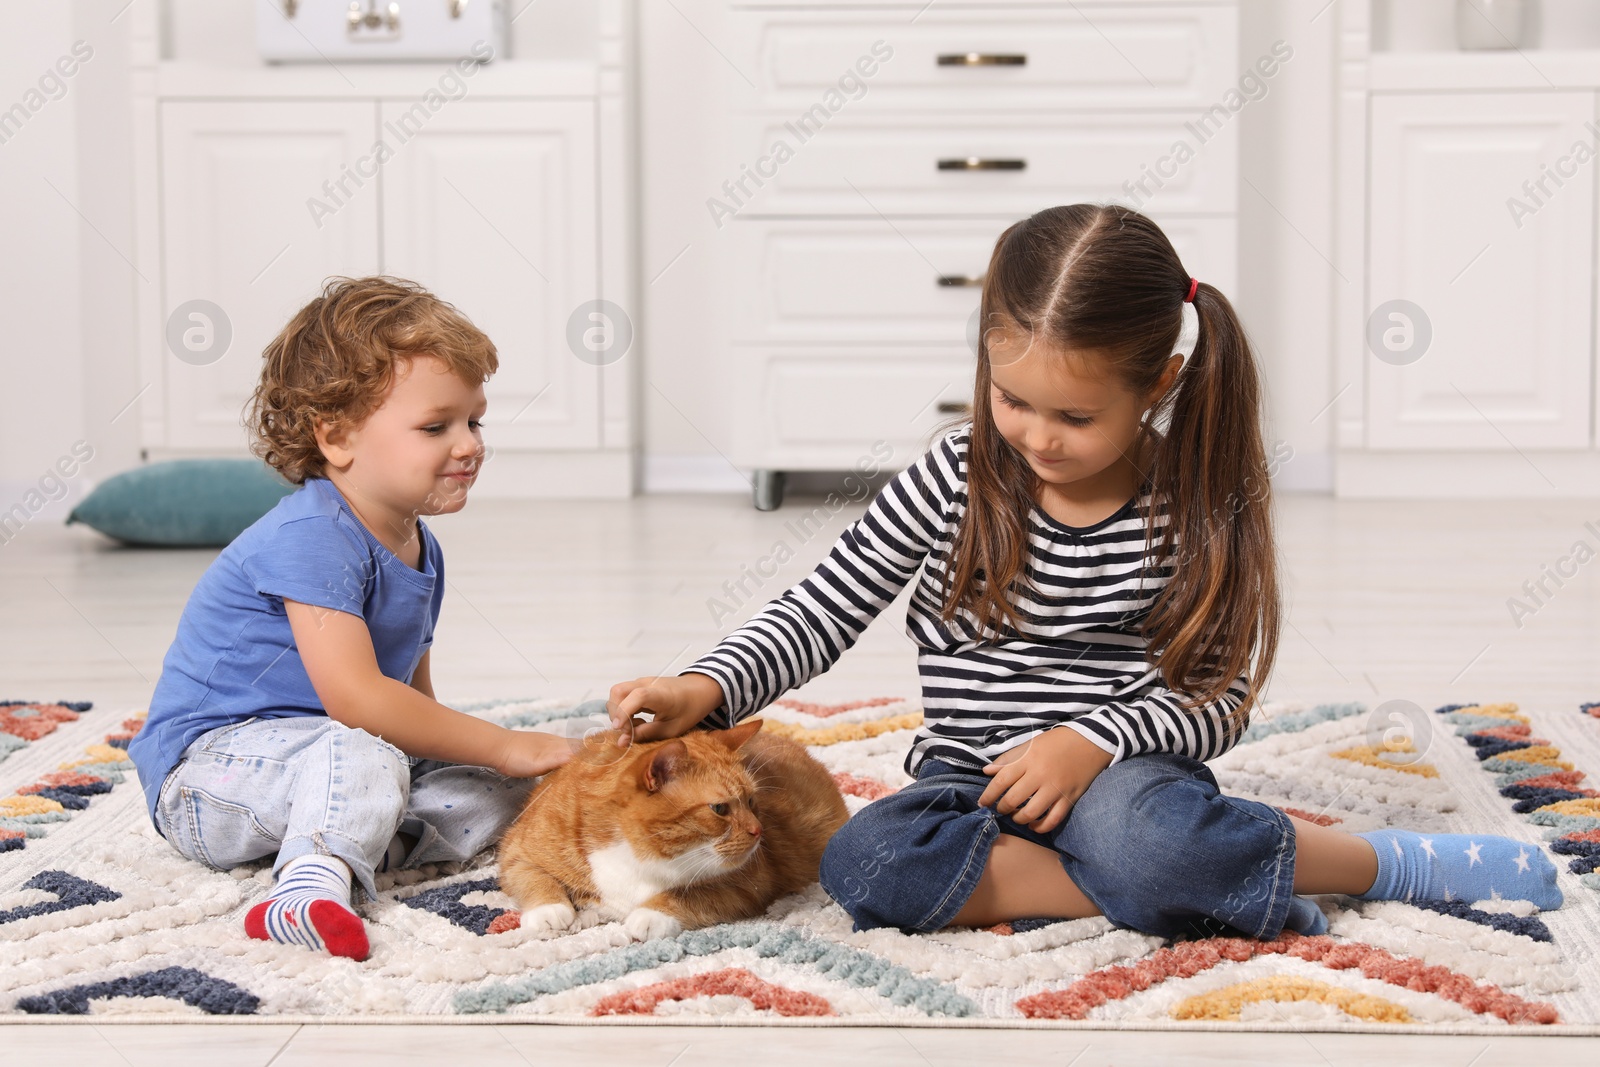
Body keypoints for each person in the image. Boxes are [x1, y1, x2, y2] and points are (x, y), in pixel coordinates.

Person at [603, 204, 1562, 939]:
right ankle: (1212, 889)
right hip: (972, 785)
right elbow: (823, 606)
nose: (1036, 438)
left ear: (1158, 385)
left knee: (1151, 842)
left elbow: (1216, 694)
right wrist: (708, 682)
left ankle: (1371, 865)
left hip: (1124, 778)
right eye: (1012, 400)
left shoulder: (1190, 505)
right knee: (867, 868)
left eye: (1074, 417)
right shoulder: (954, 475)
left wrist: (1090, 740)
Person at [128, 277, 572, 961]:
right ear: (336, 437)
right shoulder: (313, 534)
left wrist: (512, 760)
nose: (469, 444)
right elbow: (358, 698)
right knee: (368, 750)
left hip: (335, 758)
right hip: (211, 776)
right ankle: (309, 888)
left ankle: (368, 831)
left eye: (474, 421)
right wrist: (504, 741)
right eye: (436, 427)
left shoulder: (420, 545)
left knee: (510, 784)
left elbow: (410, 701)